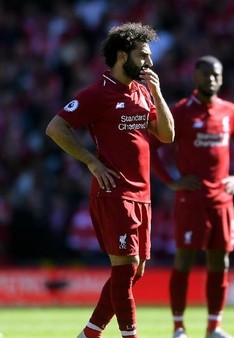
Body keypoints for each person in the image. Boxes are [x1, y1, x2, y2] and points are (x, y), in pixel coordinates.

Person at [45, 22, 174, 338]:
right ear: (121, 55)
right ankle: (129, 335)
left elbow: (168, 135)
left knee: (135, 272)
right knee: (125, 269)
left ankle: (89, 334)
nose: (149, 63)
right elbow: (56, 127)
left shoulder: (143, 92)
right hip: (114, 191)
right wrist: (90, 161)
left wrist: (157, 92)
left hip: (142, 194)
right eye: (143, 55)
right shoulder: (97, 93)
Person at [151, 55, 234, 338]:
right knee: (184, 260)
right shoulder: (181, 112)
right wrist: (171, 182)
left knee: (220, 262)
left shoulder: (229, 111)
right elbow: (151, 146)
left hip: (222, 200)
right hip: (191, 200)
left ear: (221, 78)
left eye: (216, 74)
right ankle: (178, 327)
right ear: (195, 77)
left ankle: (214, 327)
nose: (211, 78)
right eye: (205, 74)